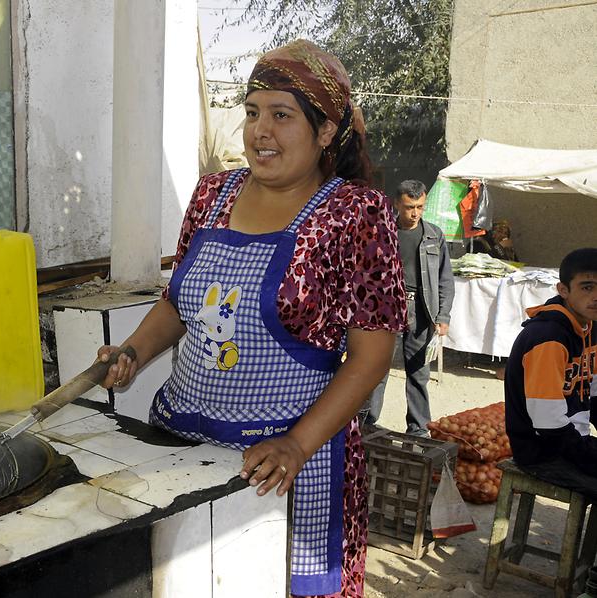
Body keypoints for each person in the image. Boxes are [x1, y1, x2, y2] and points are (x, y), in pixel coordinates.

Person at [96, 40, 406, 597]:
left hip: (287, 462)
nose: (260, 131)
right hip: (187, 444)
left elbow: (372, 356)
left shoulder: (356, 214)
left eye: (282, 116)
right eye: (252, 112)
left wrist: (297, 444)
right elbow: (180, 302)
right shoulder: (214, 192)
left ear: (326, 132)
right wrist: (133, 351)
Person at [361, 180, 454, 437]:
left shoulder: (434, 235)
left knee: (419, 373)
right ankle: (367, 423)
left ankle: (419, 427)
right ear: (396, 204)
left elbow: (445, 279)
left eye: (420, 207)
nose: (415, 213)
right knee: (377, 370)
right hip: (386, 312)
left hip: (422, 312)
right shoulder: (381, 233)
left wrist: (443, 315)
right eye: (410, 207)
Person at [505, 248, 597, 497]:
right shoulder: (548, 338)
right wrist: (590, 457)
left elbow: (594, 396)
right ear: (563, 290)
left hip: (573, 440)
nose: (596, 296)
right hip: (541, 450)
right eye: (587, 287)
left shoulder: (590, 328)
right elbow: (548, 425)